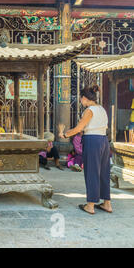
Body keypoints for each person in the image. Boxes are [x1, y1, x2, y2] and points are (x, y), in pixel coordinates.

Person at [60, 85, 112, 215]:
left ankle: (90, 205)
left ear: (84, 98)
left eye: (80, 99)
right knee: (104, 172)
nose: (80, 101)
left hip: (92, 142)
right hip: (104, 141)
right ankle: (107, 203)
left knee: (92, 171)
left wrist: (64, 134)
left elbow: (79, 128)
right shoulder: (101, 109)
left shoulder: (90, 110)